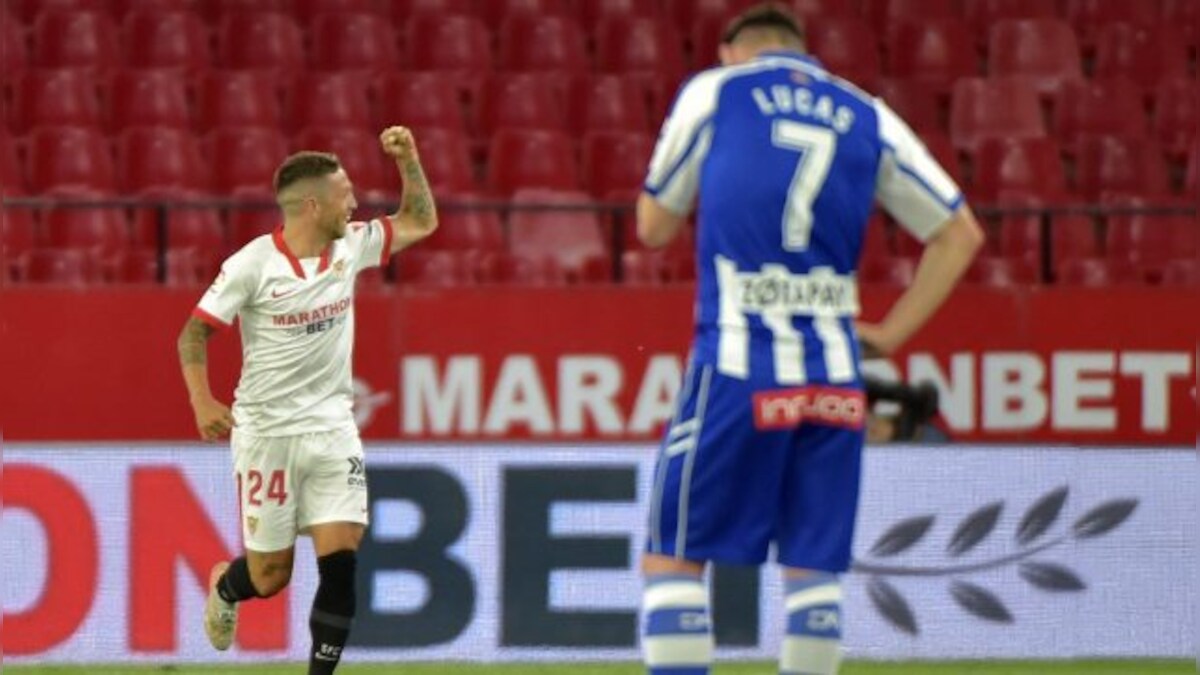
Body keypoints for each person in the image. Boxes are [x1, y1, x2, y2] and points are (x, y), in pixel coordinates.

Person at [636, 5, 984, 674]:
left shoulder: (716, 90)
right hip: (835, 374)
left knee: (674, 551)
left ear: (732, 50)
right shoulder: (866, 111)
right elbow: (960, 232)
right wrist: (891, 332)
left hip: (739, 362)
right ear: (803, 53)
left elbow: (653, 224)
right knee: (812, 566)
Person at [176, 126, 437, 674]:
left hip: (332, 429)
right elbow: (193, 334)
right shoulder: (252, 265)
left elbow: (420, 221)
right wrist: (202, 402)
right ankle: (227, 585)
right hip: (266, 435)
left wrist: (409, 162)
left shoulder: (352, 245)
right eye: (346, 194)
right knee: (270, 578)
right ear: (313, 204)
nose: (355, 202)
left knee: (341, 563)